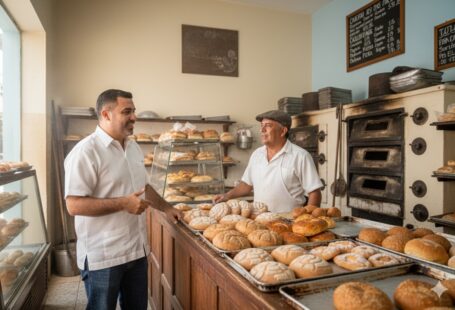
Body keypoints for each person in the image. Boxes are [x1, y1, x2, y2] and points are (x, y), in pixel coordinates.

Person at [64, 89, 180, 310]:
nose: (134, 117)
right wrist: (123, 203)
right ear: (106, 114)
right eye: (127, 111)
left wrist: (166, 207)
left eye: (134, 111)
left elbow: (143, 187)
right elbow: (73, 205)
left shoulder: (133, 147)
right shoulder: (85, 152)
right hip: (104, 257)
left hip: (136, 251)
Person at [214, 110, 323, 213]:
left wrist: (307, 219)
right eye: (262, 126)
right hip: (260, 219)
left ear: (283, 131)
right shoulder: (257, 154)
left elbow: (314, 193)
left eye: (268, 126)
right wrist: (227, 196)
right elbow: (246, 185)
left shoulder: (300, 156)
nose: (262, 130)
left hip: (289, 222)